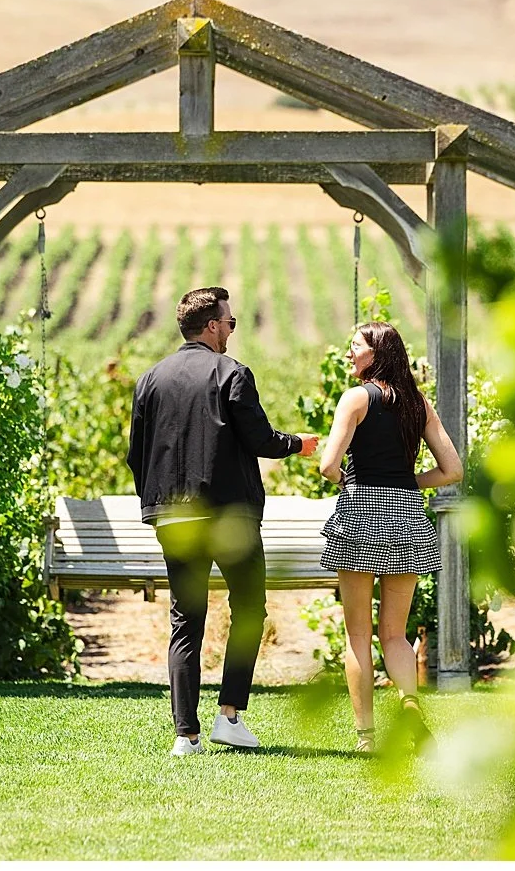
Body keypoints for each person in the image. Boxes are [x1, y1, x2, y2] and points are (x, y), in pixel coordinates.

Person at [128, 286, 318, 756]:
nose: (232, 329)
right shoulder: (232, 373)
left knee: (184, 620)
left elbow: (137, 455)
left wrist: (158, 504)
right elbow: (259, 439)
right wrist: (301, 444)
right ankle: (229, 715)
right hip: (229, 514)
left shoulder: (150, 379)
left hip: (173, 516)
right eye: (230, 322)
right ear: (212, 326)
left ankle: (184, 736)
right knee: (250, 607)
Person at [318, 321, 463, 753]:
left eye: (355, 348)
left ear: (376, 353)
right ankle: (410, 706)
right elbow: (453, 469)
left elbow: (328, 465)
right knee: (394, 634)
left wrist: (351, 480)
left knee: (358, 636)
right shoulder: (418, 403)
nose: (349, 355)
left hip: (361, 512)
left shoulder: (356, 398)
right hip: (407, 515)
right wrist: (410, 482)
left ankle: (366, 737)